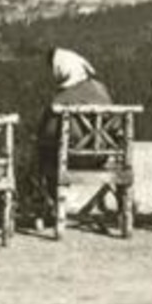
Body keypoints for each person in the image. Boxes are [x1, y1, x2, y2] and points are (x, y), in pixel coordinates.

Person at [32, 48, 114, 221]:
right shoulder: (101, 89)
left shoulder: (62, 99)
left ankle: (49, 206)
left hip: (73, 159)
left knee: (42, 154)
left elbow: (48, 133)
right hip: (102, 157)